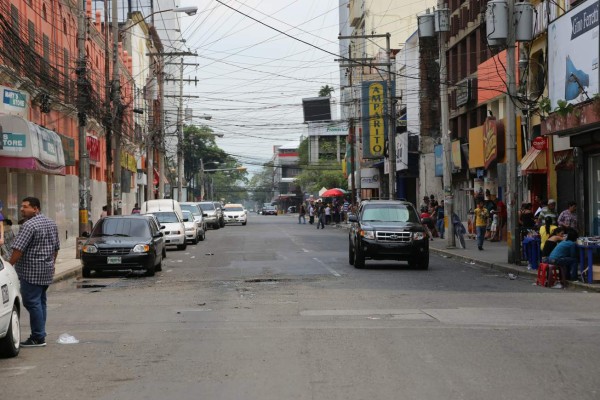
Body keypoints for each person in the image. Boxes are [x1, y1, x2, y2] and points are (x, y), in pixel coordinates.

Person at [8, 197, 60, 347]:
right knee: (40, 302)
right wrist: (52, 264)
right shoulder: (50, 222)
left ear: (36, 208)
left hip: (31, 271)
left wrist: (9, 264)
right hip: (46, 269)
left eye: (25, 207)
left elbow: (19, 248)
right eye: (22, 206)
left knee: (32, 303)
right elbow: (56, 248)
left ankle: (37, 337)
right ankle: (40, 333)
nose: (22, 209)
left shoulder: (29, 225)